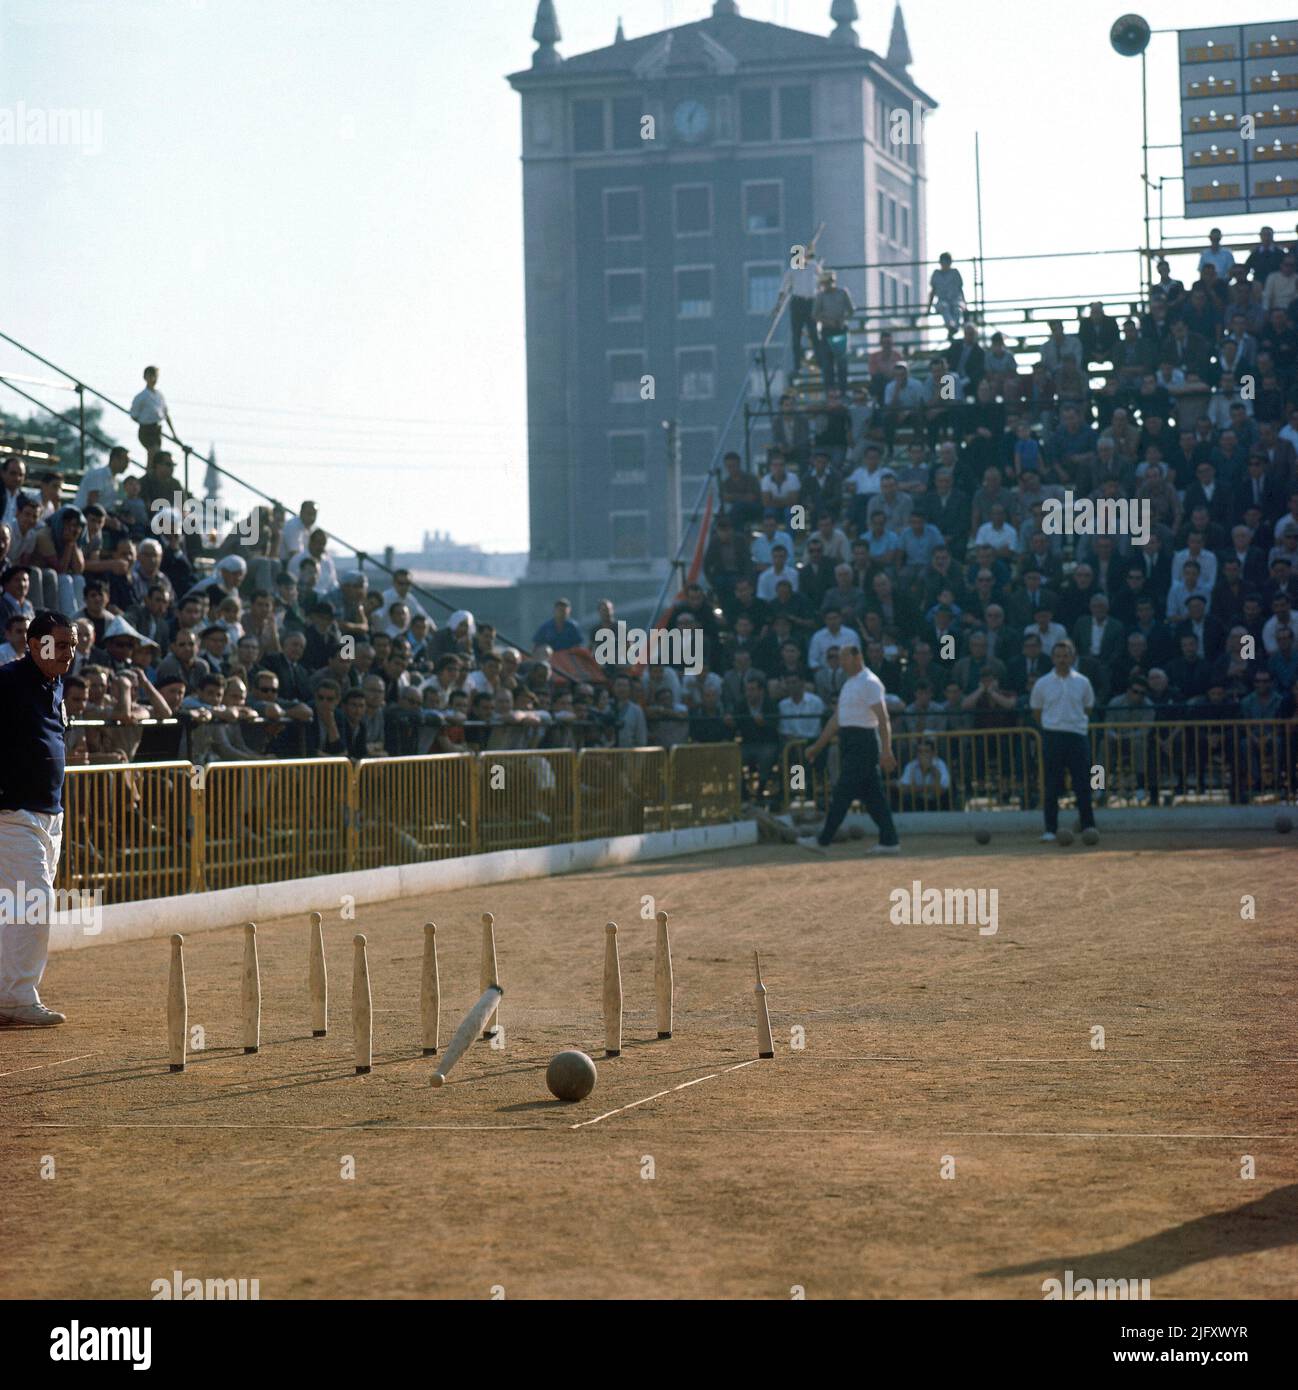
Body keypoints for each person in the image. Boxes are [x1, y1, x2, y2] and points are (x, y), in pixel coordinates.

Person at [0, 610, 76, 1026]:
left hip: (49, 814)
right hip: (12, 813)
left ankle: (7, 994)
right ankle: (17, 997)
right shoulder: (7, 681)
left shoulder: (55, 683)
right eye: (61, 644)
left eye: (73, 645)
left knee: (14, 907)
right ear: (33, 644)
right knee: (35, 902)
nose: (69, 653)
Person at [797, 644, 901, 854]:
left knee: (843, 792)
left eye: (844, 658)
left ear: (857, 657)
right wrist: (817, 746)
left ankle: (823, 840)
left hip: (863, 742)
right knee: (873, 797)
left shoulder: (870, 682)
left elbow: (883, 718)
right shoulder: (850, 684)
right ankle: (889, 840)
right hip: (851, 741)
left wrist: (887, 750)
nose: (841, 662)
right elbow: (837, 719)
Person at [1029, 639, 1097, 843]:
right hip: (1052, 736)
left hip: (1077, 736)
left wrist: (1072, 723)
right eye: (1058, 656)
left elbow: (1088, 708)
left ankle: (1088, 826)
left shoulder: (1083, 682)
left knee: (1083, 784)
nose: (1062, 660)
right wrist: (1055, 725)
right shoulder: (1042, 683)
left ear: (1073, 657)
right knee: (1051, 785)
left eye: (1066, 655)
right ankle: (1050, 829)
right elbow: (1037, 712)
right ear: (1052, 658)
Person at [128, 365, 179, 464]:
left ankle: (151, 474)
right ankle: (149, 475)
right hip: (146, 429)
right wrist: (144, 421)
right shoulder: (141, 396)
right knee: (153, 452)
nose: (153, 379)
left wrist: (174, 435)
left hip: (157, 429)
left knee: (155, 456)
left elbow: (165, 414)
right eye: (150, 376)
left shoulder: (159, 395)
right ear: (145, 378)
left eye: (155, 376)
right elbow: (133, 415)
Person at [926, 252, 965, 336]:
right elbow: (933, 291)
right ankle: (951, 326)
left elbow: (960, 289)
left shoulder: (955, 273)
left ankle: (954, 328)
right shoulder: (936, 274)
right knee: (944, 307)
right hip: (942, 301)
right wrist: (928, 308)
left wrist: (965, 304)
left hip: (955, 300)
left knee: (957, 309)